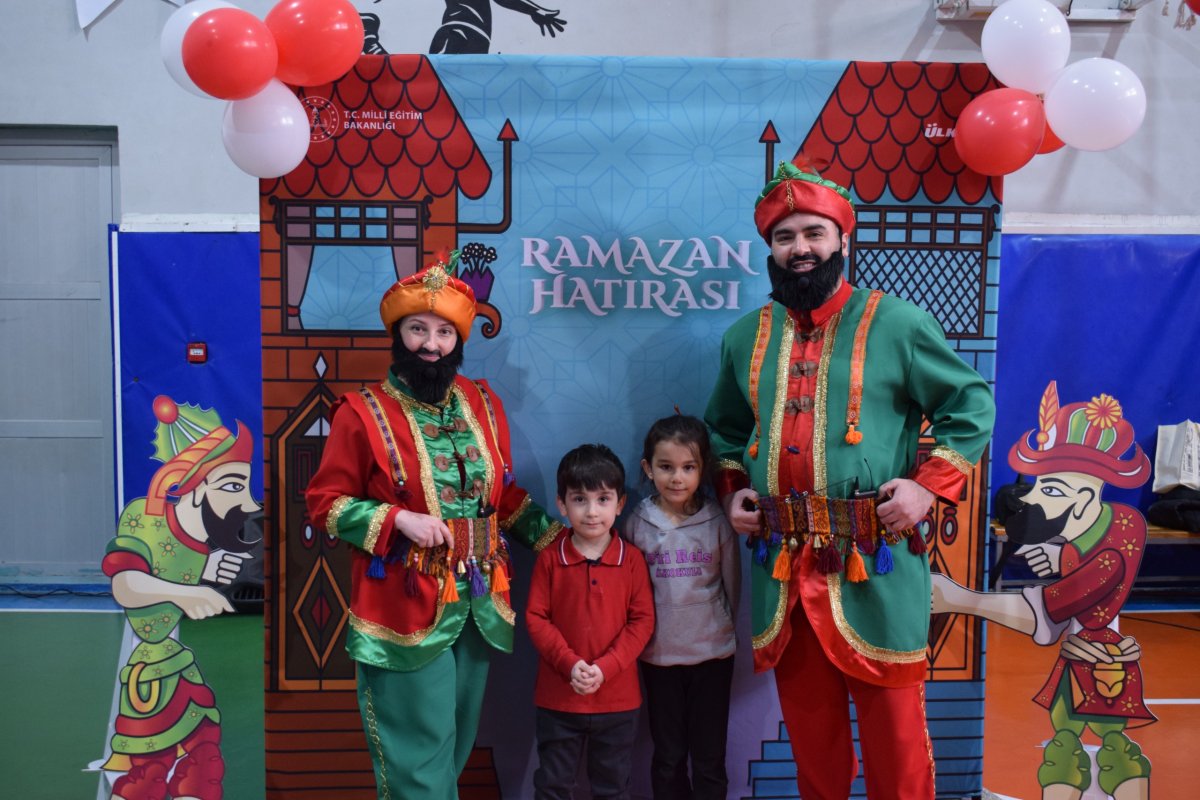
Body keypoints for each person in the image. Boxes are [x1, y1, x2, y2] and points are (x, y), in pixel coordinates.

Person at [704, 157, 996, 800]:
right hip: (784, 569)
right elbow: (723, 431)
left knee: (897, 743)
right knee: (815, 747)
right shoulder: (744, 337)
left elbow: (971, 406)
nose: (800, 248)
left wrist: (927, 486)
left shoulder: (899, 323)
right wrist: (733, 492)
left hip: (875, 562)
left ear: (842, 237)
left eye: (813, 233)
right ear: (770, 250)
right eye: (785, 237)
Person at [304, 253, 563, 800]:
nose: (431, 344)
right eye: (418, 329)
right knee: (416, 764)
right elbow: (324, 505)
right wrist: (398, 519)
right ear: (398, 334)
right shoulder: (361, 412)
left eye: (444, 332)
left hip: (478, 603)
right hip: (403, 605)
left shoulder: (482, 403)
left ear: (459, 339)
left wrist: (560, 542)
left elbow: (502, 497)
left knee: (452, 749)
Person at [932, 382, 1154, 800]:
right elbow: (1100, 538)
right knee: (1063, 749)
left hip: (1105, 668)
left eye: (1049, 489)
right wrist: (1063, 555)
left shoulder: (1110, 557)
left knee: (1115, 752)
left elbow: (1045, 613)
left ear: (1083, 498)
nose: (1031, 497)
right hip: (1079, 660)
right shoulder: (1122, 524)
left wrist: (958, 599)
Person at [101, 395, 260, 800]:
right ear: (196, 487)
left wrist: (205, 569)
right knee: (149, 774)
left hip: (175, 667)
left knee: (203, 758)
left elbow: (174, 562)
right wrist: (187, 593)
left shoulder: (200, 540)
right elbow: (126, 585)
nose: (248, 503)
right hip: (152, 674)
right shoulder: (143, 517)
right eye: (233, 487)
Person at [525, 444, 655, 800]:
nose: (592, 511)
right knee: (552, 786)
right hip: (558, 701)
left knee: (613, 788)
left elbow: (642, 622)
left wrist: (606, 668)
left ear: (620, 504)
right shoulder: (550, 560)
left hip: (618, 701)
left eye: (603, 499)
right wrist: (570, 664)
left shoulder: (632, 560)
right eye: (580, 500)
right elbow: (536, 618)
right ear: (562, 504)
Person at [623, 414, 740, 800]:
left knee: (709, 759)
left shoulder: (717, 521)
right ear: (648, 469)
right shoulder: (637, 523)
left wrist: (723, 630)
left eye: (689, 467)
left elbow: (732, 586)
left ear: (703, 469)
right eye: (666, 467)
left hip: (713, 656)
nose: (677, 478)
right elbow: (632, 595)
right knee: (669, 758)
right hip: (659, 659)